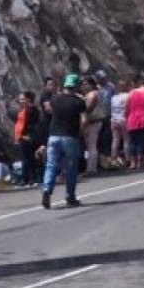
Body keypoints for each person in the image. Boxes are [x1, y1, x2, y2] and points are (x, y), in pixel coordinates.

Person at [42, 74, 86, 209]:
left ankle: (47, 189)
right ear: (76, 86)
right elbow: (84, 119)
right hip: (70, 136)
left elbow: (48, 109)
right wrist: (80, 132)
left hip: (54, 136)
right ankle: (70, 196)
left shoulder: (55, 100)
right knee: (71, 168)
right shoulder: (79, 102)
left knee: (51, 165)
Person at [125, 76, 144, 170]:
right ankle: (140, 162)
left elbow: (126, 107)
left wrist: (126, 117)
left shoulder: (131, 93)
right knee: (141, 142)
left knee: (132, 142)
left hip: (132, 119)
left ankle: (133, 162)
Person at [14, 91, 41, 187]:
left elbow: (33, 125)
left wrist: (29, 135)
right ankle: (29, 178)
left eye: (22, 99)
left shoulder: (31, 110)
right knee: (28, 158)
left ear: (28, 99)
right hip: (23, 136)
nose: (20, 101)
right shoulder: (26, 110)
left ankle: (28, 179)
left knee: (27, 159)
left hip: (27, 137)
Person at [81, 76, 106, 174]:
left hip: (93, 121)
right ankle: (91, 166)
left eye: (86, 83)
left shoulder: (92, 94)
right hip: (92, 121)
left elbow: (89, 108)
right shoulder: (90, 94)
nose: (84, 85)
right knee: (90, 145)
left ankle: (91, 168)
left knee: (91, 145)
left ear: (91, 84)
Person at [109, 79, 130, 167]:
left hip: (114, 120)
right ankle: (127, 158)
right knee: (126, 140)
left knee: (115, 140)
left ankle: (113, 158)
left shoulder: (114, 97)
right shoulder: (128, 96)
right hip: (124, 119)